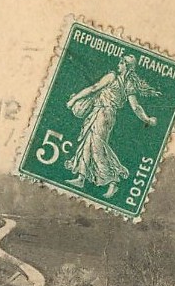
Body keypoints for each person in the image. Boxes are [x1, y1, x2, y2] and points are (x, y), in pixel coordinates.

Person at [64, 54, 160, 199]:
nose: (118, 65)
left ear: (126, 66)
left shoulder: (112, 76)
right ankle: (81, 177)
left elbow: (93, 88)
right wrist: (147, 119)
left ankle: (113, 180)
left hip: (102, 113)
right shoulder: (129, 84)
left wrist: (74, 99)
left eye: (121, 63)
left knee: (97, 146)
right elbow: (136, 107)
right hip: (108, 115)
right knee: (88, 143)